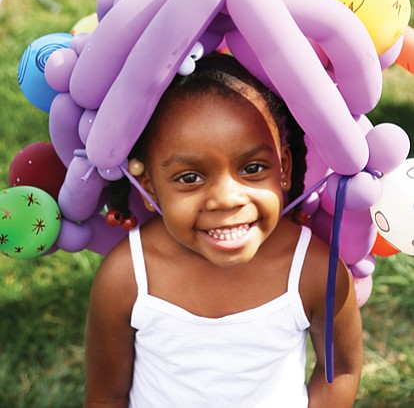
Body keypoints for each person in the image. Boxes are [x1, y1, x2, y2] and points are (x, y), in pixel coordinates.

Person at [84, 52, 363, 408]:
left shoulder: (314, 270)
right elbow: (106, 397)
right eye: (190, 177)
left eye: (252, 168)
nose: (227, 199)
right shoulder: (126, 278)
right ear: (150, 188)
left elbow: (339, 372)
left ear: (284, 169)